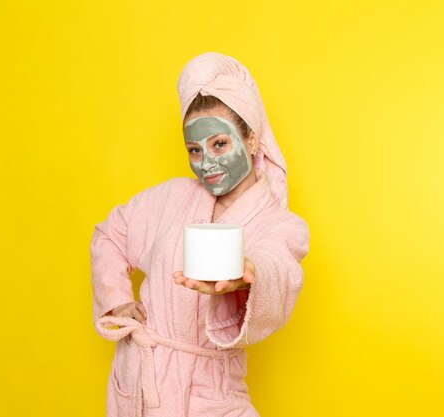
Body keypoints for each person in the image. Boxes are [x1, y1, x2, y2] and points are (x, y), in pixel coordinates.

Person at [90, 51, 310, 417]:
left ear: (252, 141)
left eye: (219, 144)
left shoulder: (279, 222)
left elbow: (279, 263)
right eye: (194, 150)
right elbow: (109, 235)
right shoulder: (170, 198)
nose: (206, 162)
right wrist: (116, 301)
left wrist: (250, 273)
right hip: (142, 386)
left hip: (212, 394)